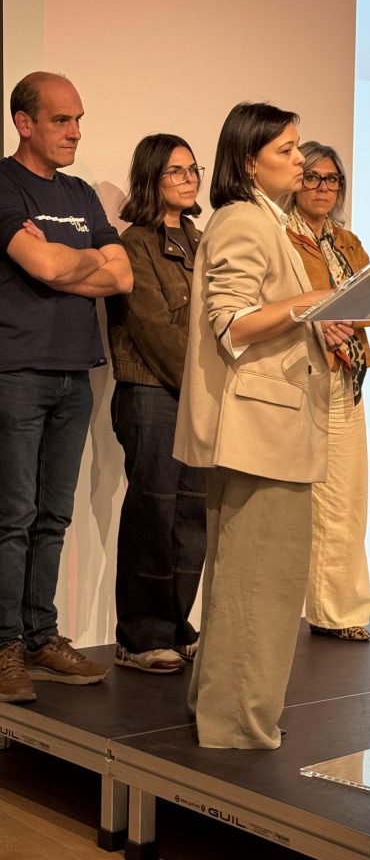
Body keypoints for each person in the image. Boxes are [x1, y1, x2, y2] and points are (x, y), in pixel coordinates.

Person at [173, 102, 354, 749]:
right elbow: (232, 322)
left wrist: (316, 319)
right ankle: (237, 726)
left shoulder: (264, 219)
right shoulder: (245, 221)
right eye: (286, 150)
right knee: (260, 588)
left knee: (246, 583)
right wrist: (314, 301)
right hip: (258, 434)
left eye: (299, 148)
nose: (301, 161)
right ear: (248, 161)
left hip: (269, 430)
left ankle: (221, 712)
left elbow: (267, 316)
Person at [0, 71, 133, 705]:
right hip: (17, 371)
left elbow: (122, 276)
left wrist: (62, 262)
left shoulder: (80, 193)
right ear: (24, 123)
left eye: (79, 119)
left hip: (75, 374)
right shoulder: (3, 184)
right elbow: (45, 265)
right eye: (61, 120)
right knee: (12, 518)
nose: (75, 131)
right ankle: (3, 647)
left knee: (53, 517)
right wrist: (77, 262)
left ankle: (39, 637)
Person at [106, 133, 207, 674]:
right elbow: (155, 331)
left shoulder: (203, 240)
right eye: (175, 171)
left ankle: (175, 623)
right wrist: (204, 386)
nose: (189, 179)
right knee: (154, 511)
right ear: (150, 178)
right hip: (152, 392)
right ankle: (139, 635)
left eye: (193, 169)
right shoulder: (134, 244)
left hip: (199, 396)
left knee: (192, 515)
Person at [284, 141, 370, 642]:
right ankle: (318, 609)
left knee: (348, 498)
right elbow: (283, 302)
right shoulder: (284, 235)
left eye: (332, 179)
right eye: (313, 177)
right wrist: (326, 317)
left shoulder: (347, 241)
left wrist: (346, 315)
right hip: (305, 372)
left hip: (348, 372)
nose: (323, 187)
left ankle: (341, 612)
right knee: (317, 501)